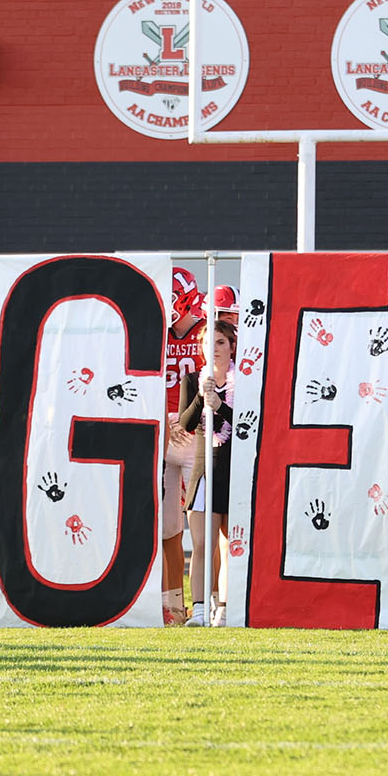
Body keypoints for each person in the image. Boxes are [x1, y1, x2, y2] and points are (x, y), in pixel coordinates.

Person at [179, 320, 238, 626]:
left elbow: (248, 425)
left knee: (230, 545)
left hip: (234, 469)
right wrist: (204, 397)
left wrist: (222, 407)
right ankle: (199, 609)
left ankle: (225, 609)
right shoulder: (193, 380)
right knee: (203, 544)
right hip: (205, 470)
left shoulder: (243, 380)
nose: (213, 349)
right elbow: (186, 424)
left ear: (231, 346)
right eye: (208, 343)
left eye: (220, 342)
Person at [159, 267, 208, 625]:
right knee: (166, 529)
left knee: (203, 525)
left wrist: (190, 419)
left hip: (197, 436)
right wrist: (164, 420)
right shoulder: (156, 332)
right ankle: (173, 605)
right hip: (163, 436)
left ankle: (209, 601)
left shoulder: (209, 329)